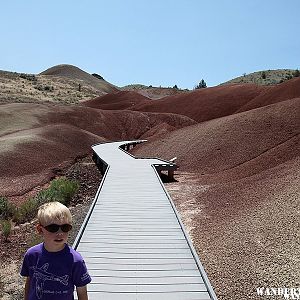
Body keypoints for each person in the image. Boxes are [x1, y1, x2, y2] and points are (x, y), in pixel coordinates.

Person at [20, 201, 91, 300]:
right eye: (53, 228)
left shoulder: (76, 261)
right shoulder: (31, 255)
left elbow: (82, 292)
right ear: (40, 230)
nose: (60, 233)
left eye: (65, 227)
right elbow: (30, 281)